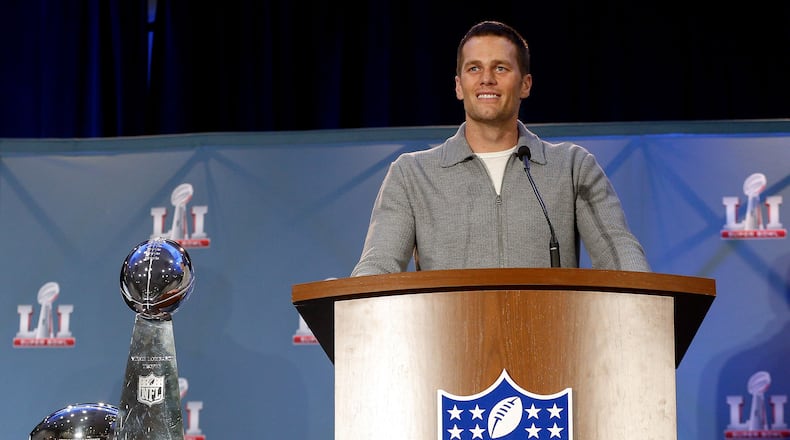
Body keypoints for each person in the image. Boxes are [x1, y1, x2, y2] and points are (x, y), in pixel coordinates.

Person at [351, 20, 649, 276]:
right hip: (451, 342)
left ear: (525, 84)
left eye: (501, 68)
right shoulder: (412, 174)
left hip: (550, 340)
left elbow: (619, 254)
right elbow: (379, 265)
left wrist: (650, 301)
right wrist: (349, 305)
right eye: (474, 68)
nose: (487, 79)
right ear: (458, 86)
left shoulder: (572, 166)